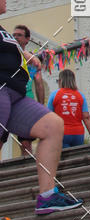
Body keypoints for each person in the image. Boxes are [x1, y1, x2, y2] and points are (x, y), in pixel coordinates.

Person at [0, 0, 83, 220]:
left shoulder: (2, 30)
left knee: (52, 125)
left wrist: (28, 56)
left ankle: (47, 196)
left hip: (14, 93)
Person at [13, 24, 44, 156]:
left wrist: (41, 106)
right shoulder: (8, 56)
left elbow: (39, 83)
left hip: (24, 103)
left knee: (25, 142)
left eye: (19, 35)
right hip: (7, 102)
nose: (15, 37)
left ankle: (28, 169)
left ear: (27, 39)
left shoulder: (31, 60)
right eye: (13, 35)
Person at [48, 69, 90, 147]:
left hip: (61, 133)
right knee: (76, 156)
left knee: (64, 158)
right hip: (78, 134)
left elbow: (49, 116)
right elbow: (86, 117)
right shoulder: (81, 96)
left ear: (61, 81)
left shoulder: (54, 95)